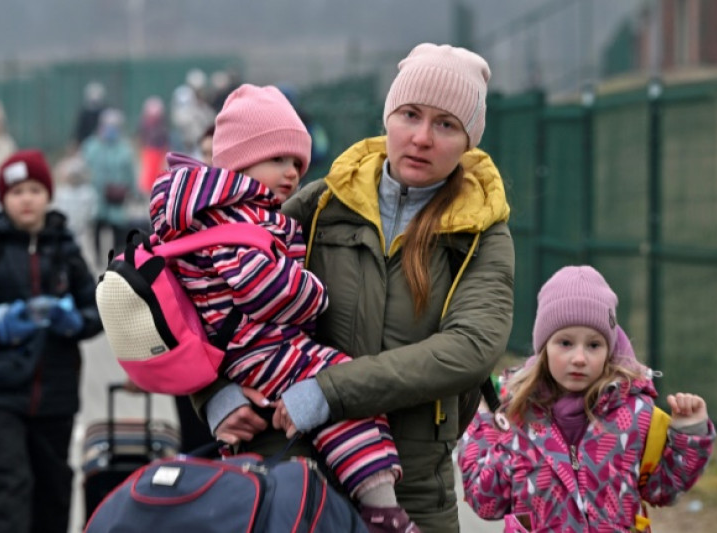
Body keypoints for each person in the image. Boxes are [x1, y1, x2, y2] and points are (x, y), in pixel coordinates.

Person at [205, 44, 513, 533]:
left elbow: (471, 349)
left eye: (446, 125)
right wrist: (216, 396)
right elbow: (207, 292)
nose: (422, 138)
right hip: (291, 478)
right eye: (410, 115)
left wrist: (329, 391)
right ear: (388, 116)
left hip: (410, 492)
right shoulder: (322, 204)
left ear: (468, 141)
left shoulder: (481, 234)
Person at [150, 84, 416, 532]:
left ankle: (375, 500)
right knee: (342, 389)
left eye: (297, 162)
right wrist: (315, 291)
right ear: (238, 161)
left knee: (334, 399)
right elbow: (262, 287)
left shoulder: (220, 213)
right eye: (277, 160)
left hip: (245, 352)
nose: (292, 173)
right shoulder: (237, 220)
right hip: (260, 349)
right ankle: (381, 505)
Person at [459, 266, 715, 531]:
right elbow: (486, 502)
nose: (579, 358)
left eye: (594, 345)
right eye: (565, 343)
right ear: (544, 347)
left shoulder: (636, 414)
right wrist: (481, 422)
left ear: (610, 349)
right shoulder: (516, 414)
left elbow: (663, 489)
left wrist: (689, 433)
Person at [0, 149, 103, 533]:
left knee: (53, 484)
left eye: (34, 189)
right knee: (8, 481)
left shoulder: (66, 249)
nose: (26, 199)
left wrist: (74, 322)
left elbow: (99, 310)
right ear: (3, 199)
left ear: (48, 194)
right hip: (0, 391)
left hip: (57, 393)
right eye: (16, 192)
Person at [82, 108, 137, 260]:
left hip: (116, 197)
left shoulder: (125, 149)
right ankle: (98, 259)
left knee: (118, 230)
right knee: (97, 228)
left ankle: (116, 259)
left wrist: (133, 191)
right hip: (96, 197)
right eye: (107, 125)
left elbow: (130, 173)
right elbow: (83, 169)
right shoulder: (91, 146)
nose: (111, 129)